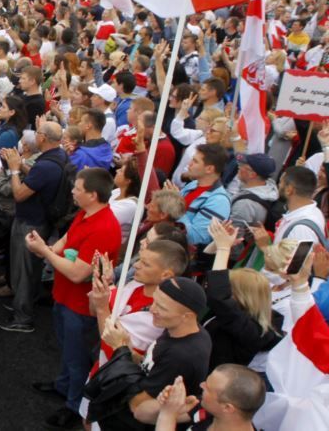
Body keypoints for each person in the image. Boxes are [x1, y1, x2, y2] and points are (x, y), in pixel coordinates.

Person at [25, 167, 123, 429]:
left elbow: (78, 273)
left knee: (77, 357)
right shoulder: (86, 214)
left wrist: (45, 253)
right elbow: (67, 240)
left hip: (80, 306)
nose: (72, 192)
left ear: (92, 195)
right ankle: (63, 386)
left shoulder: (104, 227)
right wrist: (46, 248)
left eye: (77, 189)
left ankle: (73, 405)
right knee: (68, 351)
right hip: (64, 297)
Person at [102, 277, 213, 428]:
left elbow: (138, 405)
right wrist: (127, 347)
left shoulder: (181, 356)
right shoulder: (182, 329)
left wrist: (120, 350)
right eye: (154, 301)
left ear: (187, 316)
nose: (152, 309)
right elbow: (150, 365)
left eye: (162, 308)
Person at [0, 121, 67, 332]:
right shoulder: (58, 157)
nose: (34, 136)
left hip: (30, 224)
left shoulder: (45, 166)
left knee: (24, 271)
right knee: (30, 270)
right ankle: (24, 303)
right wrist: (21, 164)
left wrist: (15, 170)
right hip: (41, 221)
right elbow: (37, 177)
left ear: (43, 138)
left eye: (37, 132)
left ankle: (22, 317)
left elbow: (19, 194)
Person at [204, 219, 283, 371]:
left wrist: (223, 249)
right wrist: (217, 245)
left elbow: (218, 296)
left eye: (229, 287)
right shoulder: (242, 317)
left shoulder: (254, 330)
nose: (223, 287)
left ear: (240, 295)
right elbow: (207, 274)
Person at [153, 365, 266, 431]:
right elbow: (142, 414)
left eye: (207, 388)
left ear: (227, 407)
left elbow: (166, 416)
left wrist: (167, 415)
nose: (201, 385)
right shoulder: (208, 411)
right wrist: (170, 405)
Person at [176, 144, 232, 253]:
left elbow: (195, 238)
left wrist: (175, 204)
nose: (189, 164)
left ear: (209, 169)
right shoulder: (193, 185)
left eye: (195, 161)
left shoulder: (219, 201)